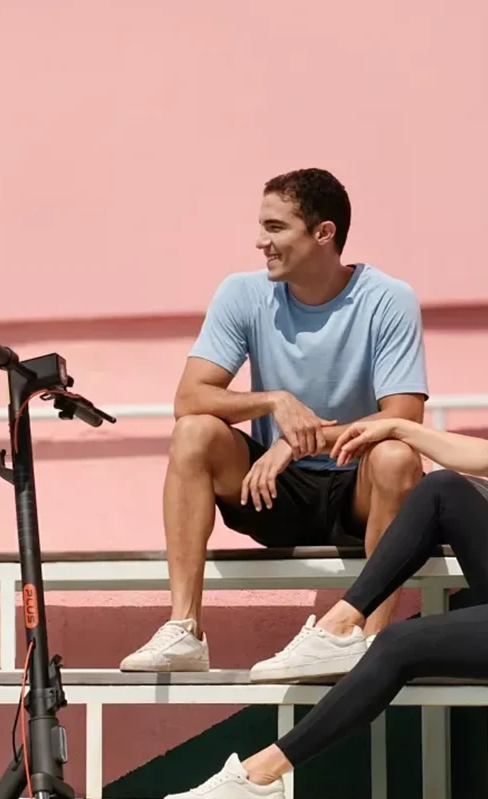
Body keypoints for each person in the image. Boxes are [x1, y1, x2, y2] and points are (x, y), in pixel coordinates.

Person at [159, 266, 488, 799]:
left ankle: (259, 777)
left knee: (400, 643)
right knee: (444, 488)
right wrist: (396, 427)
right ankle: (342, 624)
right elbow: (487, 457)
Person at [120, 167, 431, 679]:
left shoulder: (388, 298)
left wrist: (297, 441)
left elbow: (404, 416)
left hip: (357, 490)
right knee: (193, 431)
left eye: (276, 227)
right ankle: (184, 628)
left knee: (397, 455)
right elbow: (189, 397)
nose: (260, 241)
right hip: (271, 492)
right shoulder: (242, 294)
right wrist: (273, 402)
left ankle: (369, 640)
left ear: (323, 233)